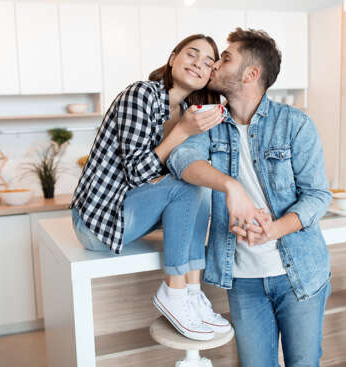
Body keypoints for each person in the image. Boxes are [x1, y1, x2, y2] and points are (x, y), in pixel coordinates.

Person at [167, 27, 332, 365]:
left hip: (298, 272)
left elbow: (318, 196)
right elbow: (181, 160)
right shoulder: (210, 122)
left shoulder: (295, 124)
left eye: (225, 59)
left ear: (251, 74)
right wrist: (232, 186)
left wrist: (273, 229)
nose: (213, 65)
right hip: (242, 279)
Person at [70, 34, 231, 341]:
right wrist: (182, 131)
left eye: (207, 62)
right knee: (186, 185)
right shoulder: (141, 95)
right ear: (173, 58)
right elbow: (136, 173)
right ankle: (174, 291)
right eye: (191, 55)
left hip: (128, 212)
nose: (198, 64)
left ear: (211, 75)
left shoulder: (186, 109)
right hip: (98, 221)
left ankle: (193, 293)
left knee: (200, 186)